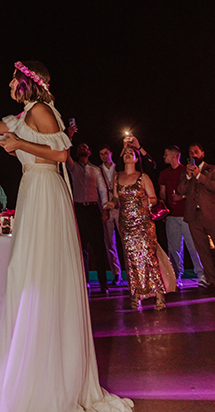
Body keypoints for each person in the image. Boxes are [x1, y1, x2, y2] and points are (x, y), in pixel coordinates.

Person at [0, 60, 133, 412]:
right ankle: (27, 366)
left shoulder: (42, 109)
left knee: (41, 271)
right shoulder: (24, 114)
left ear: (27, 82)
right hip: (31, 188)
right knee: (25, 274)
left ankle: (51, 377)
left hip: (45, 185)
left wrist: (20, 142)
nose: (10, 84)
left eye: (14, 79)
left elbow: (60, 153)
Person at [108, 146, 167, 311]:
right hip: (125, 222)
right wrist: (112, 203)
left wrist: (147, 202)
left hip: (143, 222)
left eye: (131, 153)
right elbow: (116, 196)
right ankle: (136, 295)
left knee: (148, 257)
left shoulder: (143, 177)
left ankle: (159, 295)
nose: (127, 155)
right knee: (131, 259)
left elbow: (154, 199)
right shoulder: (117, 177)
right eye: (125, 153)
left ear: (135, 158)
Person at [179, 143, 215, 297]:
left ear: (202, 153)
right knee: (203, 250)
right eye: (191, 153)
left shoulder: (212, 169)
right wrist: (188, 176)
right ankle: (212, 282)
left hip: (211, 214)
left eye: (196, 152)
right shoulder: (186, 172)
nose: (193, 155)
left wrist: (199, 176)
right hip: (194, 216)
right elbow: (180, 190)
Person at [66, 128, 110, 293]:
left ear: (89, 152)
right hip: (79, 210)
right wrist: (69, 136)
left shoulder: (95, 170)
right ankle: (84, 282)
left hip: (93, 210)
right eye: (80, 147)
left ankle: (103, 283)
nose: (82, 149)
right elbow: (66, 156)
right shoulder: (73, 167)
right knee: (81, 248)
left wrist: (105, 209)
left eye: (85, 147)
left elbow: (103, 190)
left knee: (99, 248)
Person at [158, 145, 205, 288]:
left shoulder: (186, 170)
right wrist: (163, 208)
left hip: (186, 216)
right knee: (174, 247)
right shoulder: (164, 173)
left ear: (174, 156)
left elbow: (194, 190)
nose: (163, 156)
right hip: (171, 216)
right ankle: (176, 276)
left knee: (193, 246)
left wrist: (182, 196)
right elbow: (162, 192)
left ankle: (201, 274)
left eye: (165, 153)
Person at [98, 145, 123, 286]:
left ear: (110, 153)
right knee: (110, 242)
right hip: (106, 207)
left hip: (119, 208)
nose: (104, 156)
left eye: (106, 153)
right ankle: (116, 273)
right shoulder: (98, 169)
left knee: (124, 239)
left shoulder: (118, 168)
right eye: (101, 154)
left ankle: (131, 271)